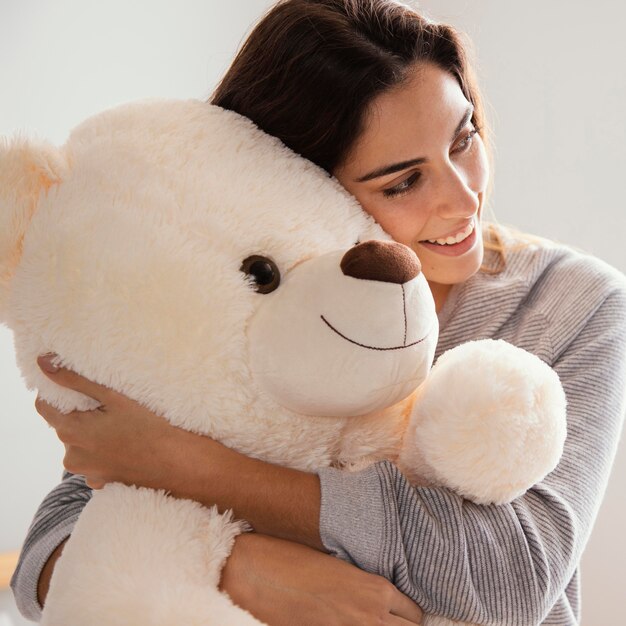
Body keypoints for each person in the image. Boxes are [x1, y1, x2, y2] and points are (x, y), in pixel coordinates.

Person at [11, 0, 626, 624]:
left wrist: (200, 470)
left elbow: (514, 579)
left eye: (463, 139)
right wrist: (245, 569)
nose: (465, 196)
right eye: (402, 182)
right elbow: (43, 559)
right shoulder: (246, 307)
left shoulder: (573, 304)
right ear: (302, 185)